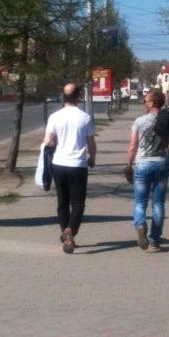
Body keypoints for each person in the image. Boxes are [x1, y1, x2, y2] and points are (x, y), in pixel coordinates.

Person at [43, 83, 96, 253]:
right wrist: (92, 158)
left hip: (59, 164)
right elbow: (91, 143)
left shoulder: (55, 117)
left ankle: (66, 237)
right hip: (78, 166)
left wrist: (57, 144)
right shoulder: (85, 117)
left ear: (63, 96)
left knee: (62, 202)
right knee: (78, 203)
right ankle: (70, 231)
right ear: (78, 96)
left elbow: (48, 141)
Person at [126, 88, 169, 252]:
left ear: (153, 102)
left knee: (140, 202)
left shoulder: (140, 121)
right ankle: (154, 240)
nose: (144, 103)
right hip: (161, 163)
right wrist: (168, 160)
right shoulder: (167, 120)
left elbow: (133, 146)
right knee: (158, 204)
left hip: (142, 164)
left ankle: (141, 225)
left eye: (145, 100)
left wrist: (128, 164)